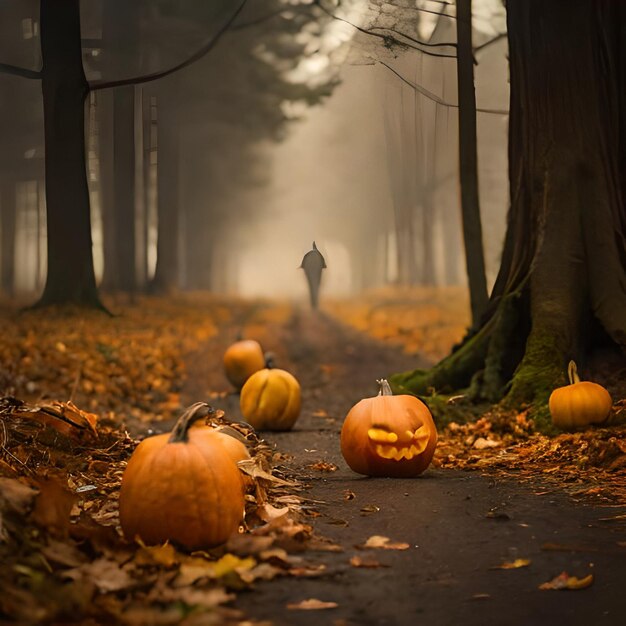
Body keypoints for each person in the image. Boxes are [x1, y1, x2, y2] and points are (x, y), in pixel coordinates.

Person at [299, 241, 326, 309]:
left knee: (311, 285)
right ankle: (315, 303)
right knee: (316, 285)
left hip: (308, 268)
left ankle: (313, 303)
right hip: (317, 269)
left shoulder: (307, 255)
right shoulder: (319, 255)